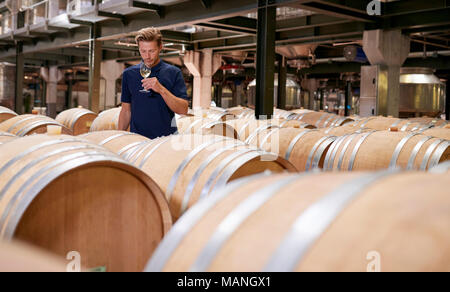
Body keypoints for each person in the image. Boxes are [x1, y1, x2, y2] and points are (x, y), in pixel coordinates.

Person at [118, 27, 189, 139]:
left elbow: (183, 110)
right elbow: (126, 110)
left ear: (160, 47)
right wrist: (119, 137)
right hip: (138, 140)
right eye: (143, 51)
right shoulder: (129, 74)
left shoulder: (174, 72)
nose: (147, 56)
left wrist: (161, 89)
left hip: (166, 141)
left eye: (151, 51)